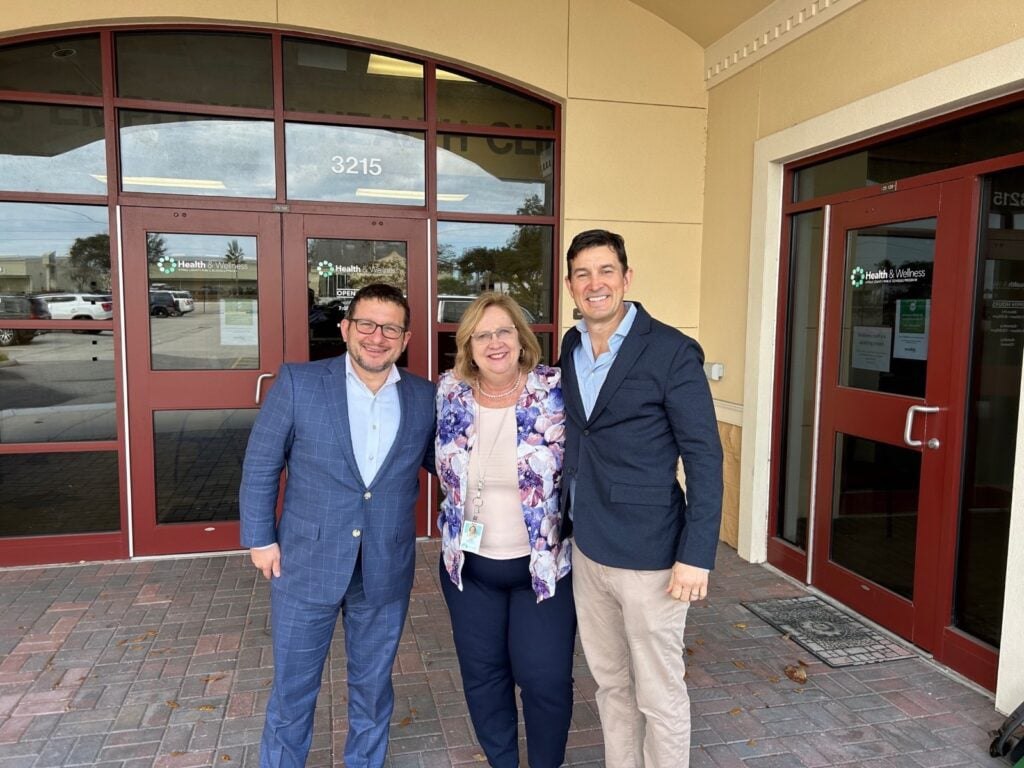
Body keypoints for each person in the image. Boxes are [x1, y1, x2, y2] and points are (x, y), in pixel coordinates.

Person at [240, 283, 436, 768]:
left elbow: (450, 463)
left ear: (406, 338)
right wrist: (260, 539)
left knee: (372, 692)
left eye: (390, 327)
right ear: (345, 328)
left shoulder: (423, 397)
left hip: (384, 568)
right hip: (306, 562)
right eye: (366, 324)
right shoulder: (299, 383)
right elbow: (261, 464)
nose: (377, 336)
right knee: (292, 692)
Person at [559, 230, 724, 768]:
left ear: (627, 279)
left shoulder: (672, 350)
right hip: (588, 547)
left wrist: (696, 555)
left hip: (653, 554)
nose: (595, 283)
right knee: (610, 684)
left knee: (659, 693)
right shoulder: (571, 344)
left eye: (606, 271)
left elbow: (704, 457)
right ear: (570, 286)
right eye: (582, 274)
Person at [435, 292, 575, 768]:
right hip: (469, 569)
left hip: (543, 569)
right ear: (468, 344)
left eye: (503, 331)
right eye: (482, 334)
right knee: (483, 676)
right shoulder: (447, 392)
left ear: (521, 336)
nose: (494, 342)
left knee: (546, 678)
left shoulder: (556, 389)